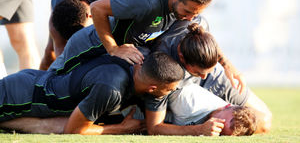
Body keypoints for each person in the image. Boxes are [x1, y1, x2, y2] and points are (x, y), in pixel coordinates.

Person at [49, 0, 243, 91]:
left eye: (196, 12)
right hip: (96, 41)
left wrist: (225, 62)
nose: (191, 17)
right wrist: (113, 48)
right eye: (188, 11)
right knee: (52, 80)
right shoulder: (145, 2)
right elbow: (97, 8)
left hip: (135, 43)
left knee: (202, 24)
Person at [0, 52, 184, 134]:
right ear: (152, 88)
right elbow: (74, 130)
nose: (171, 93)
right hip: (21, 95)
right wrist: (122, 129)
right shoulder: (112, 88)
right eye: (169, 90)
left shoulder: (132, 63)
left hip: (32, 81)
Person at [144, 22, 272, 135]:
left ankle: (224, 112)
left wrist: (227, 64)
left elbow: (207, 41)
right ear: (182, 58)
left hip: (218, 85)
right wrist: (199, 130)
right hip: (183, 93)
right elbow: (154, 128)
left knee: (264, 123)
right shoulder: (165, 70)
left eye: (208, 70)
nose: (204, 76)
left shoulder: (198, 24)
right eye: (199, 72)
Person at [122, 83, 257, 136]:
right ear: (229, 106)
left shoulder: (221, 115)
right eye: (223, 123)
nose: (216, 129)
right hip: (123, 100)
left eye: (221, 134)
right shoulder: (191, 100)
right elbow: (154, 128)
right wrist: (198, 130)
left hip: (128, 118)